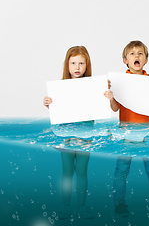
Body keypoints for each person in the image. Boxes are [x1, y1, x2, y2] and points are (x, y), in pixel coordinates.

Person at [105, 40, 149, 217]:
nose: (137, 56)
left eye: (140, 53)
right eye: (132, 54)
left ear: (146, 59)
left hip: (148, 132)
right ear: (125, 60)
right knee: (121, 170)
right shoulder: (120, 82)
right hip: (126, 133)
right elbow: (115, 108)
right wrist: (111, 96)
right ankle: (119, 203)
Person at [43, 46, 98, 219]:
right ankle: (65, 207)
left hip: (85, 136)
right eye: (73, 63)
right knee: (67, 172)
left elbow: (99, 106)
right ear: (67, 65)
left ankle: (81, 207)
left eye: (81, 63)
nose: (77, 67)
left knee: (81, 171)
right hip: (66, 136)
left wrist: (105, 95)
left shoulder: (92, 86)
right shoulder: (60, 88)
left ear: (86, 65)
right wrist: (48, 103)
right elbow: (57, 110)